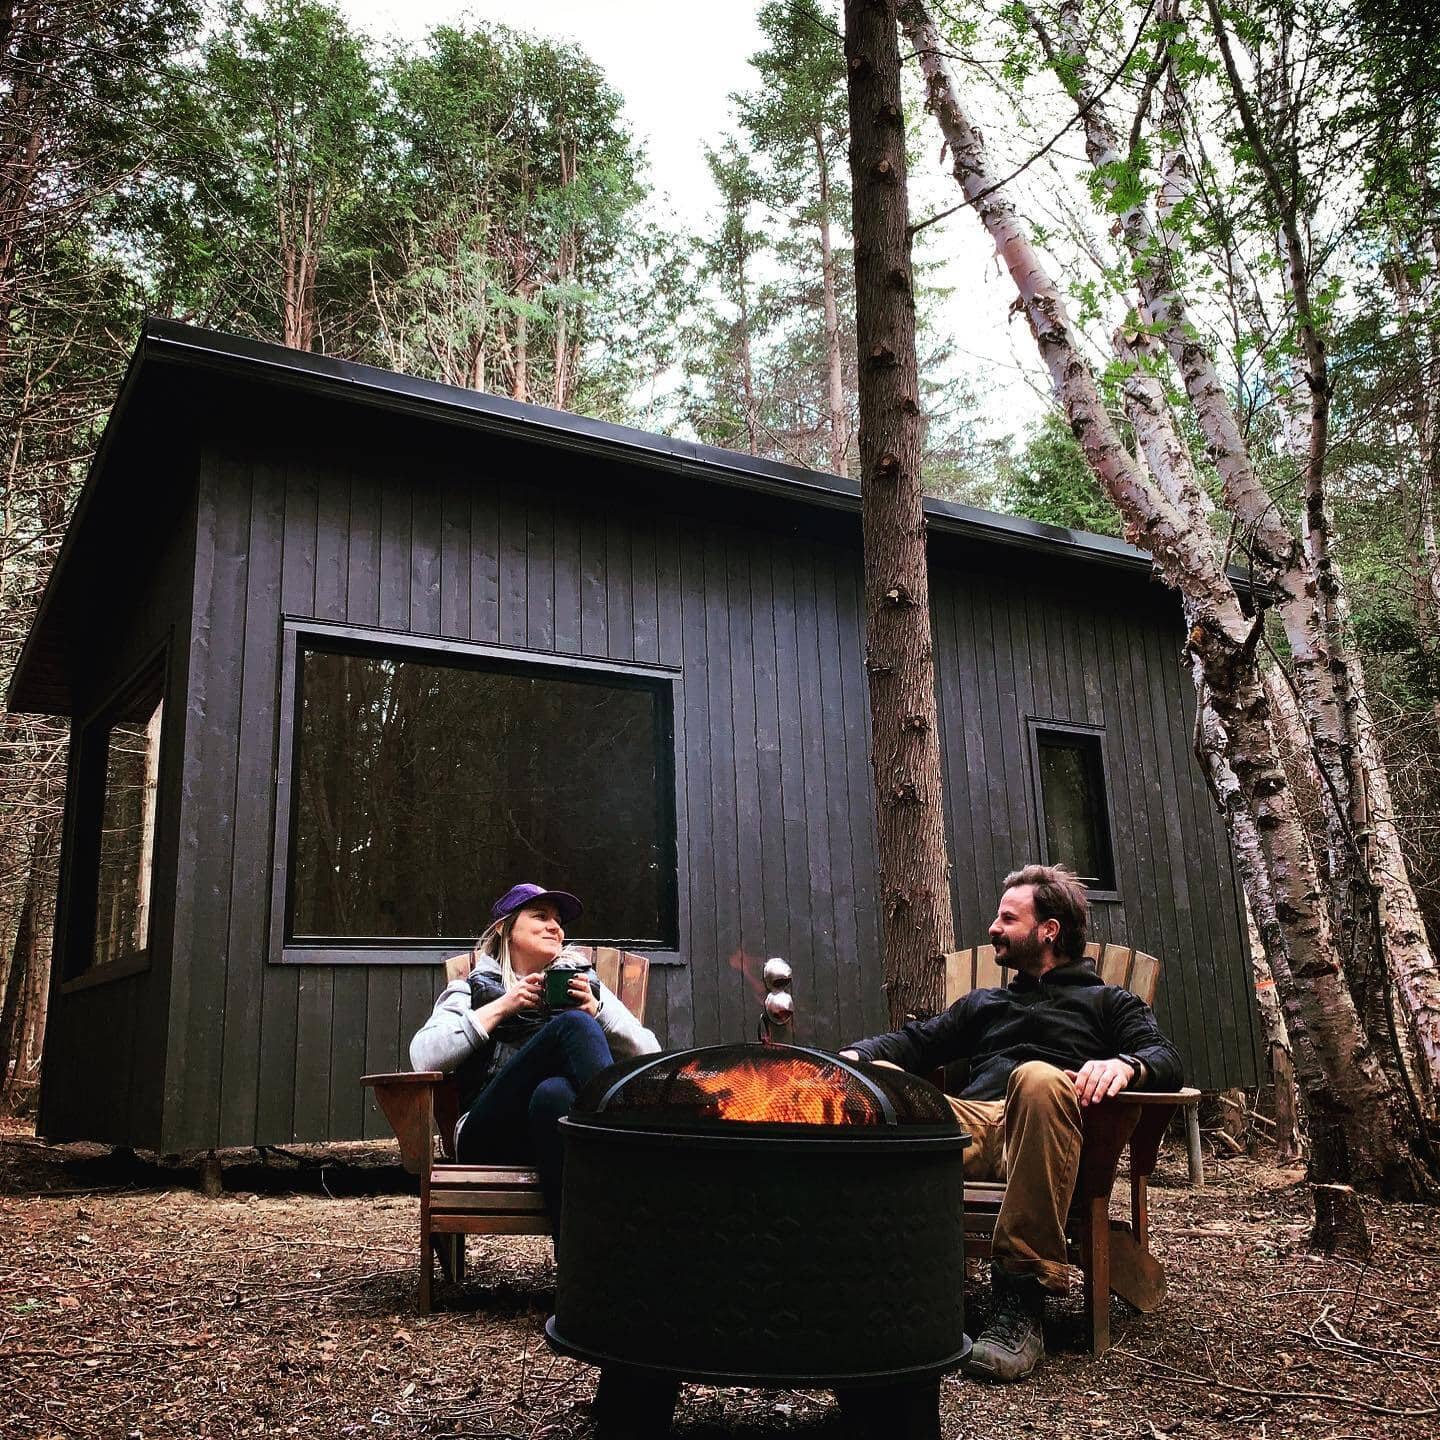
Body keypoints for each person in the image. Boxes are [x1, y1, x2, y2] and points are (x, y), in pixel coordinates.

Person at [839, 863, 1182, 1383]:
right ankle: (889, 1290)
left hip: (1054, 1127)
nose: (993, 928)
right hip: (974, 1128)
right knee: (886, 1088)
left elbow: (1166, 1057)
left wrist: (1125, 1064)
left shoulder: (1109, 1002)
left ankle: (1021, 1304)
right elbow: (913, 1045)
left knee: (1038, 1078)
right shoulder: (985, 1003)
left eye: (1007, 918)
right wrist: (854, 1059)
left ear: (1049, 930)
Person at [409, 882, 659, 1228]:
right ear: (505, 929)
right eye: (540, 916)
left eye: (558, 921)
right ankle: (627, 1153)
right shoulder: (473, 989)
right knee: (572, 1025)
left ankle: (581, 1270)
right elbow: (423, 1056)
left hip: (561, 1135)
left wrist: (598, 1012)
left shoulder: (585, 987)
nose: (555, 927)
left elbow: (649, 1052)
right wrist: (501, 1007)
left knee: (553, 1093)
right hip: (488, 1137)